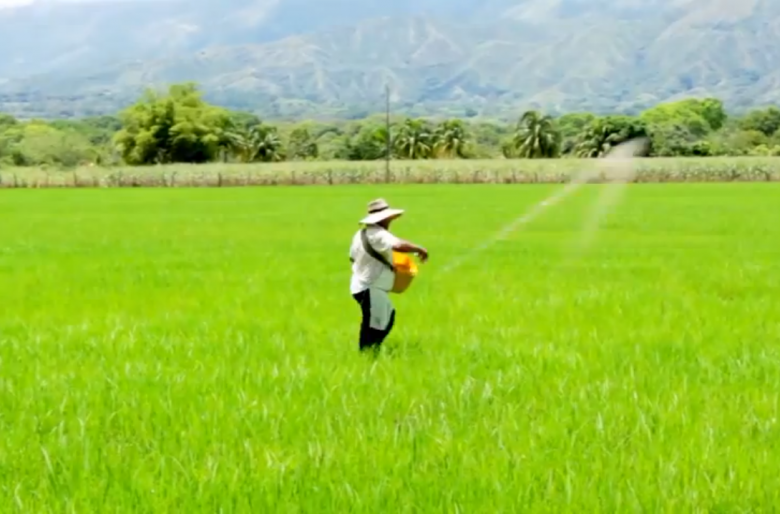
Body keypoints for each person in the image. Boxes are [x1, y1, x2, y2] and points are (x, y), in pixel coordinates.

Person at [348, 198, 428, 353]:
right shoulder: (379, 234)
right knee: (378, 322)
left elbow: (352, 257)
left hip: (360, 285)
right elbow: (398, 245)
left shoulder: (360, 234)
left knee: (381, 318)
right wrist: (420, 249)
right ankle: (368, 352)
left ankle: (369, 351)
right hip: (370, 287)